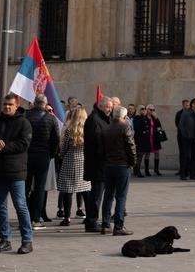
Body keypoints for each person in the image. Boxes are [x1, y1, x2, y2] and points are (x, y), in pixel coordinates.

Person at [0, 93, 33, 254]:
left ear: (16, 105)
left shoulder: (24, 123)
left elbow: (23, 144)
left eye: (10, 104)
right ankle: (5, 239)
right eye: (5, 104)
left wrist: (2, 146)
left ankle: (27, 240)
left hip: (16, 172)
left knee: (20, 206)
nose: (7, 107)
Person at [99, 105, 136, 236]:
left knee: (108, 195)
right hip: (122, 165)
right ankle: (119, 226)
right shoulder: (125, 127)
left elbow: (102, 149)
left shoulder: (106, 128)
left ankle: (106, 224)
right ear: (124, 117)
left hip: (109, 165)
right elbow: (130, 146)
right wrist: (133, 162)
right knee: (121, 196)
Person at [25, 97, 60, 224]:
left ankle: (25, 215)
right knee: (40, 188)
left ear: (34, 103)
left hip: (27, 156)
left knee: (26, 187)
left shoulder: (26, 116)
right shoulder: (51, 118)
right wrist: (51, 154)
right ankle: (36, 217)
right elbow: (56, 139)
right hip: (43, 156)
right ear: (45, 104)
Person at [81, 95, 112, 232]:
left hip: (103, 164)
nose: (110, 109)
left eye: (111, 107)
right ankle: (91, 222)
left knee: (98, 194)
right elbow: (97, 141)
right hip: (97, 164)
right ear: (100, 106)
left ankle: (92, 219)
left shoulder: (104, 119)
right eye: (107, 107)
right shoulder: (94, 119)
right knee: (96, 195)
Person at [57, 104, 90, 227]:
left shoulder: (69, 130)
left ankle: (67, 218)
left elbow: (64, 147)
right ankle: (89, 216)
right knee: (85, 190)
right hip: (84, 161)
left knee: (68, 191)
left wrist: (61, 154)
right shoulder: (87, 130)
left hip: (70, 160)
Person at [176, 97, 195, 180]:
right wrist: (185, 135)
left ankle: (192, 174)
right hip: (186, 138)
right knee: (185, 156)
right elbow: (180, 125)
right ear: (193, 104)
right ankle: (183, 174)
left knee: (193, 156)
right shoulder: (185, 113)